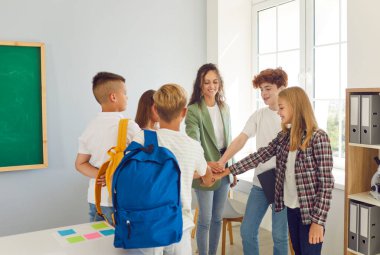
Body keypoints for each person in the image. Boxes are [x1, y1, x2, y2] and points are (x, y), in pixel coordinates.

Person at [213, 86, 334, 255]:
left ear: (295, 106)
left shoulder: (318, 138)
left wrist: (318, 222)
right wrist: (228, 170)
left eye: (282, 107)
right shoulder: (284, 137)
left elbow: (326, 184)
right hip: (291, 209)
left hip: (310, 214)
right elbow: (259, 156)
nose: (278, 112)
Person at [127, 83, 215, 255]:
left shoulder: (143, 138)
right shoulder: (193, 146)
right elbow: (206, 177)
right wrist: (207, 176)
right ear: (184, 112)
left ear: (156, 110)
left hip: (148, 223)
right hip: (180, 224)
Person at [217, 68, 289, 255]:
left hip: (283, 184)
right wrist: (222, 162)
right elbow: (241, 139)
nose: (264, 94)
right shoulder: (259, 115)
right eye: (261, 90)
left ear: (281, 87)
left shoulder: (290, 116)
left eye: (268, 89)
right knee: (247, 230)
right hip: (260, 183)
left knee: (280, 236)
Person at [75, 71, 140, 223]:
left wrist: (100, 175)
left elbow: (80, 164)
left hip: (95, 199)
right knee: (119, 246)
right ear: (113, 97)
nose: (127, 97)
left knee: (97, 244)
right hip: (118, 200)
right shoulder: (128, 126)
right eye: (125, 93)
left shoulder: (90, 127)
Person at [185, 63, 235, 255]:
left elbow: (230, 140)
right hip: (204, 167)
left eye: (215, 82)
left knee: (217, 218)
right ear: (200, 84)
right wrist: (205, 165)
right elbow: (193, 143)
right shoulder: (193, 110)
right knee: (205, 219)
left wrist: (232, 169)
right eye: (207, 82)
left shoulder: (225, 108)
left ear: (219, 84)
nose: (211, 86)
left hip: (224, 167)